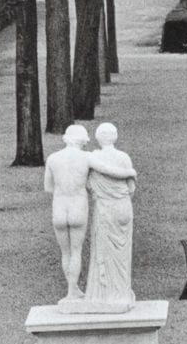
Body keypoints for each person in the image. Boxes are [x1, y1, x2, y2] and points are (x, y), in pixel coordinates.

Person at [44, 124, 137, 304]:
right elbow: (109, 171)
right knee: (77, 251)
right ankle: (73, 291)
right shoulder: (86, 157)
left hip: (59, 207)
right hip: (77, 207)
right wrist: (130, 173)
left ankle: (72, 292)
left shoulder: (53, 158)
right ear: (82, 140)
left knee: (66, 251)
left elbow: (48, 188)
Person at [85, 123, 136, 311]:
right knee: (123, 253)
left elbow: (89, 185)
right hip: (123, 207)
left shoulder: (93, 157)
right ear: (115, 137)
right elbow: (131, 188)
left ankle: (103, 295)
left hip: (105, 208)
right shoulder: (124, 158)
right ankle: (122, 292)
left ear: (98, 138)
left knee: (104, 251)